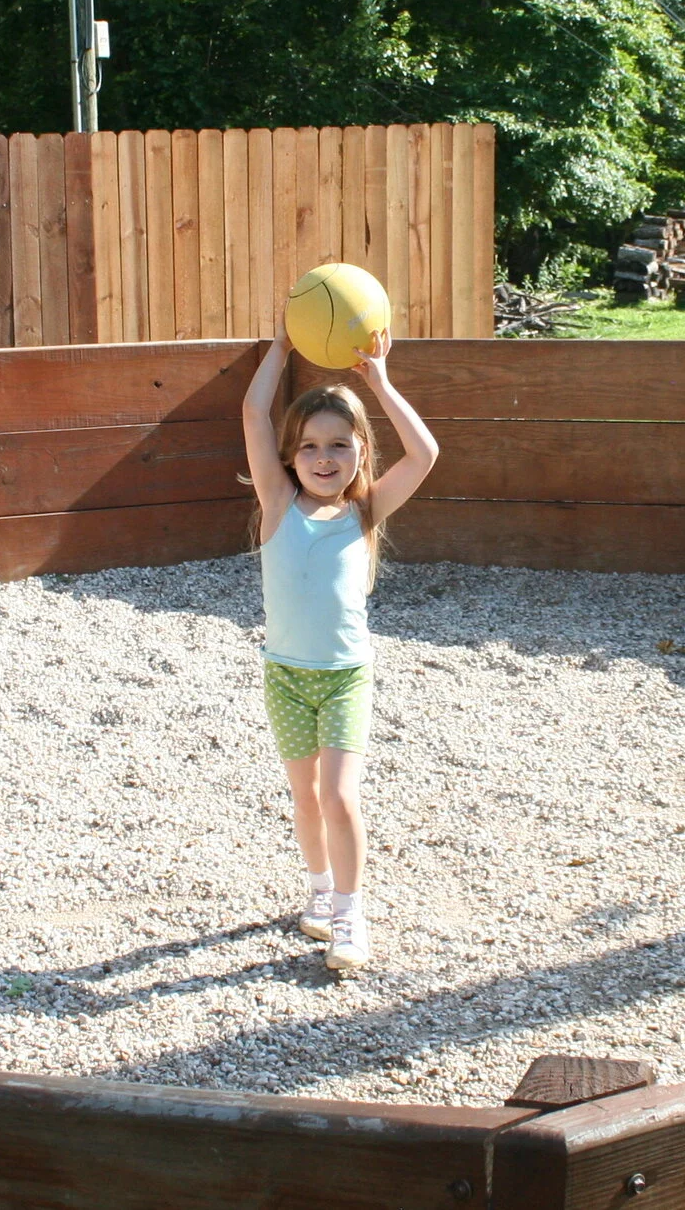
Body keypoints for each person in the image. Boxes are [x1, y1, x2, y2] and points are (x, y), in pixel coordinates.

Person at [240, 317, 439, 971]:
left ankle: (352, 914)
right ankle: (321, 892)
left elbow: (426, 454)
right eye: (309, 447)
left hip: (346, 676)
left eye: (339, 446)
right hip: (285, 675)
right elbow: (252, 410)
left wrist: (378, 380)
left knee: (339, 796)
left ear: (360, 452)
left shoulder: (365, 511)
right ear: (291, 455)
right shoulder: (276, 502)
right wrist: (277, 349)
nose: (324, 458)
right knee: (304, 798)